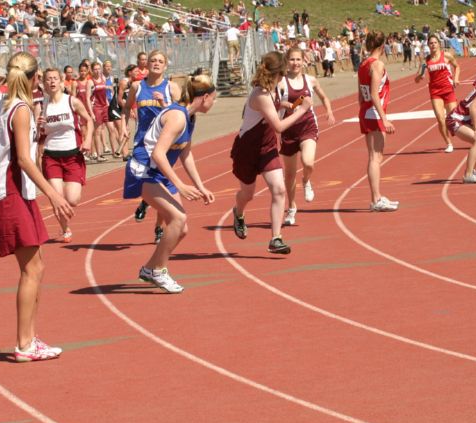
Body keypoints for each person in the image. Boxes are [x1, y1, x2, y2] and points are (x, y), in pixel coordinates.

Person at [0, 52, 74, 362]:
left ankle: (29, 339)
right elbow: (23, 158)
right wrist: (53, 193)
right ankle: (24, 344)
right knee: (31, 269)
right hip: (12, 192)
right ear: (35, 79)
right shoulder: (20, 108)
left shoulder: (6, 104)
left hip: (15, 192)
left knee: (36, 267)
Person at [122, 73, 217, 293]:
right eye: (214, 97)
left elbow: (186, 154)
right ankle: (159, 271)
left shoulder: (190, 118)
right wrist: (181, 185)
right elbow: (158, 153)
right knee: (178, 218)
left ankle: (149, 269)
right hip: (144, 170)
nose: (215, 102)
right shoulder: (177, 116)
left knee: (181, 228)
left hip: (160, 173)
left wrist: (200, 185)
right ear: (204, 98)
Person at [229, 51, 312, 254]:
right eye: (283, 73)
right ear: (277, 73)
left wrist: (283, 104)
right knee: (247, 194)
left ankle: (276, 238)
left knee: (279, 189)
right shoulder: (261, 94)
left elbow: (270, 113)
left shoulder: (275, 90)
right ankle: (238, 212)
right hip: (247, 150)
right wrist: (302, 110)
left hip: (267, 147)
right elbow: (278, 127)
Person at [125, 50, 181, 244]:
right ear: (146, 65)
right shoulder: (136, 87)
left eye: (160, 61)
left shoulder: (171, 88)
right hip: (142, 144)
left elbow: (180, 114)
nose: (156, 64)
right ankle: (145, 201)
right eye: (153, 61)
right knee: (143, 181)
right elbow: (127, 107)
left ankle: (158, 227)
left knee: (161, 187)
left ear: (165, 66)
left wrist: (165, 104)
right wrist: (125, 126)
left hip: (163, 146)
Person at [277, 47, 336, 226]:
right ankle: (292, 207)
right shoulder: (280, 83)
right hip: (288, 130)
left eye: (298, 60)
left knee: (308, 162)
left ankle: (307, 180)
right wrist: (285, 104)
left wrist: (329, 111)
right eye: (292, 60)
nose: (295, 63)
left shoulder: (310, 80)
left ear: (304, 61)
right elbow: (273, 102)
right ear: (287, 61)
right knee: (289, 175)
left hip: (308, 126)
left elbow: (324, 97)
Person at [38, 68, 93, 244]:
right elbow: (37, 134)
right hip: (51, 156)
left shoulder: (72, 101)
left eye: (55, 78)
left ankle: (66, 216)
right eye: (48, 79)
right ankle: (65, 229)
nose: (52, 82)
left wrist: (88, 140)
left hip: (72, 155)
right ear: (44, 84)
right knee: (56, 197)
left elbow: (89, 120)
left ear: (61, 82)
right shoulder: (41, 105)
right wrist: (38, 126)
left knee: (72, 199)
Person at [358, 30, 398, 212]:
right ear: (383, 46)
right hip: (373, 114)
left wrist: (363, 109)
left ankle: (378, 196)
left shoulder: (363, 64)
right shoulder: (377, 65)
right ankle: (375, 199)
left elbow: (361, 93)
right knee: (375, 157)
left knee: (376, 156)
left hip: (367, 111)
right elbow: (374, 93)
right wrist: (385, 119)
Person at [415, 35, 460, 152]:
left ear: (439, 44)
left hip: (448, 90)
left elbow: (457, 66)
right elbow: (418, 77)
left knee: (453, 118)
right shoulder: (426, 60)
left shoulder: (446, 56)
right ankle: (449, 143)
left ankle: (460, 131)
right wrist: (419, 76)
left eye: (435, 43)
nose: (433, 45)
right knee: (440, 119)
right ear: (428, 45)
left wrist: (456, 78)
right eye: (431, 43)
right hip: (435, 92)